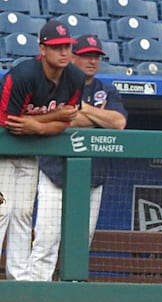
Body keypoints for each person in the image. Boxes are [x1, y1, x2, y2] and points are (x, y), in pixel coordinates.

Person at [26, 35, 128, 281]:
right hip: (55, 174)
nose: (92, 61)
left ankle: (69, 294)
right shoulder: (57, 85)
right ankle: (34, 295)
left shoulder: (106, 89)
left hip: (93, 178)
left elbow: (119, 123)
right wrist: (94, 118)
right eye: (86, 56)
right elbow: (64, 119)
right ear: (72, 57)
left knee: (80, 243)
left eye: (96, 56)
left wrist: (83, 108)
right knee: (46, 240)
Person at [0, 19, 84, 281]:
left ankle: (20, 279)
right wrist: (52, 118)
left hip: (30, 150)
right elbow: (8, 123)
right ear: (42, 49)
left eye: (67, 47)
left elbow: (66, 120)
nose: (63, 53)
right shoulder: (23, 75)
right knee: (1, 211)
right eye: (56, 47)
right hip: (3, 149)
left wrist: (38, 124)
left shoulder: (75, 77)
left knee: (23, 213)